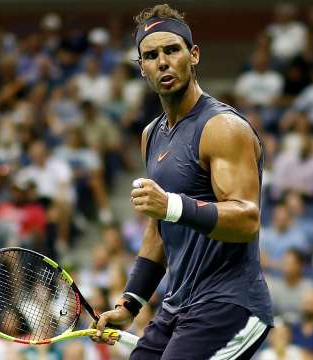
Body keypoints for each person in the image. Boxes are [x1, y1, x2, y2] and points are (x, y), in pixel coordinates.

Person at [92, 4, 272, 359]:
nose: (163, 62)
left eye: (172, 50)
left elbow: (247, 219)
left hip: (230, 306)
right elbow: (158, 231)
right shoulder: (151, 134)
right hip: (178, 307)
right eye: (151, 55)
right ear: (141, 68)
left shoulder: (223, 128)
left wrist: (172, 206)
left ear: (194, 55)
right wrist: (130, 304)